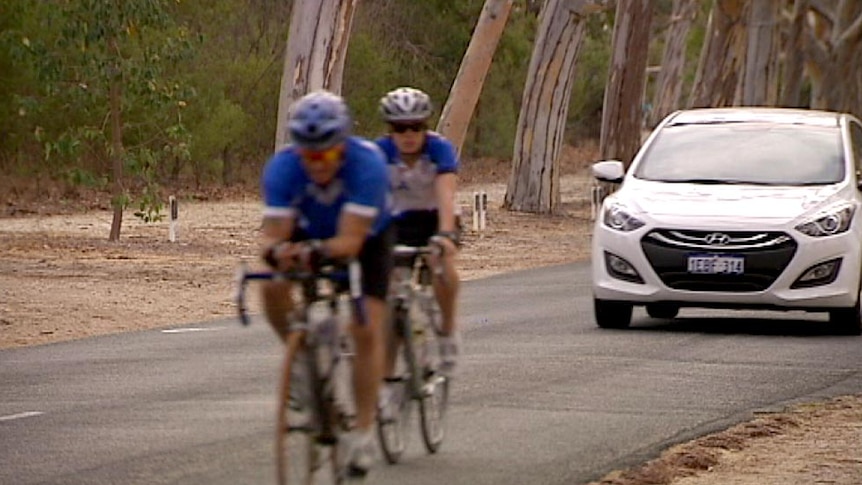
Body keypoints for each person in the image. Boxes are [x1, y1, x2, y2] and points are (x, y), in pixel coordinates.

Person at [258, 90, 392, 478]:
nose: (318, 164)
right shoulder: (282, 169)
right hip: (309, 228)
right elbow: (275, 235)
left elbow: (350, 243)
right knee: (270, 284)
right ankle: (300, 359)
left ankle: (363, 432)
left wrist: (312, 252)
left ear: (342, 146)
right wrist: (275, 253)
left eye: (327, 155)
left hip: (367, 240)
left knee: (365, 328)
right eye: (309, 155)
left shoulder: (368, 165)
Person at [375, 87, 462, 379]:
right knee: (392, 298)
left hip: (434, 217)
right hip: (397, 222)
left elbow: (446, 195)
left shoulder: (439, 149)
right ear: (391, 131)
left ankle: (448, 331)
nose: (409, 134)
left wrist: (446, 236)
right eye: (401, 128)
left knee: (442, 267)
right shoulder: (379, 153)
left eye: (417, 127)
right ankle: (387, 380)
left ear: (426, 127)